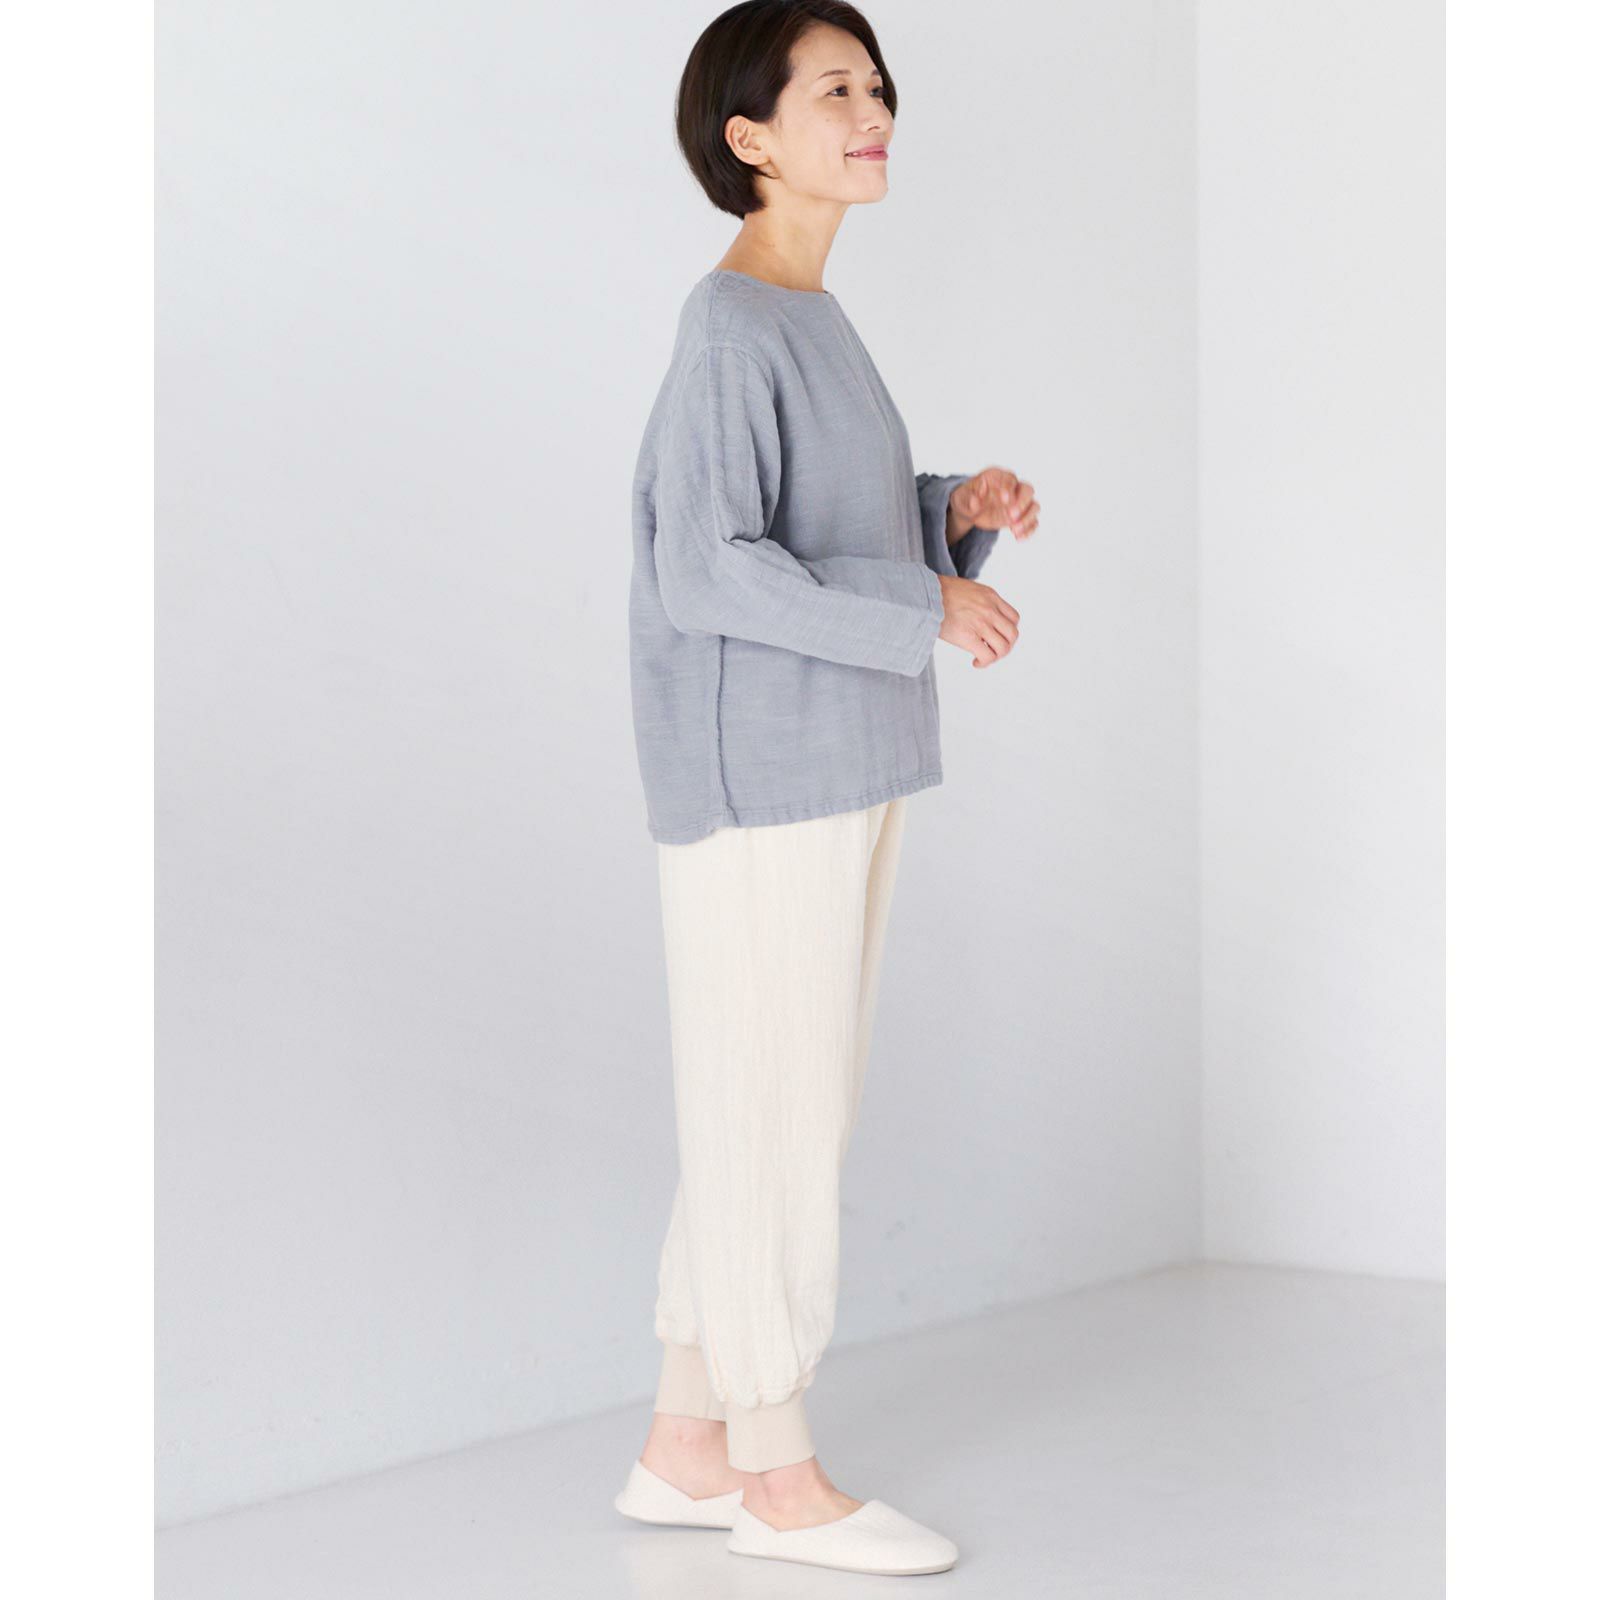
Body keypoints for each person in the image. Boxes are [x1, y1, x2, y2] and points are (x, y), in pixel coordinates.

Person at [614, 1, 1039, 1576]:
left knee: (774, 1106)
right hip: (764, 779)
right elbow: (712, 567)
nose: (874, 113)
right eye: (836, 90)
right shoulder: (731, 323)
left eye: (877, 85)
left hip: (838, 757)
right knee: (775, 1117)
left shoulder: (809, 316)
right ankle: (777, 1477)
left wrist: (947, 512)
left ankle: (684, 1445)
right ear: (750, 138)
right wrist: (925, 599)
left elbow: (815, 525)